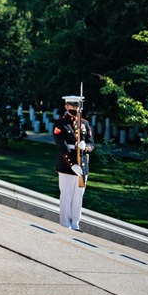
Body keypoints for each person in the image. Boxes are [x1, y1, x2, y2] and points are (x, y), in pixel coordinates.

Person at [54, 94, 94, 231]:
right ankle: (65, 223)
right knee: (66, 195)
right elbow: (62, 145)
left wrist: (86, 147)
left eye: (76, 105)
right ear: (66, 106)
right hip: (67, 164)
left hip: (82, 164)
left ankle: (76, 223)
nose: (74, 107)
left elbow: (91, 142)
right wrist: (72, 164)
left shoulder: (84, 123)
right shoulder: (60, 123)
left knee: (78, 196)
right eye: (71, 105)